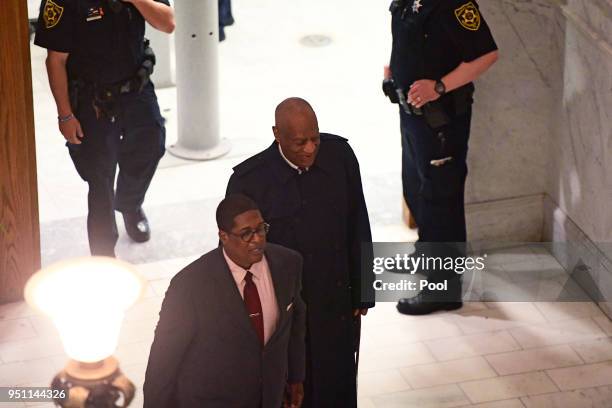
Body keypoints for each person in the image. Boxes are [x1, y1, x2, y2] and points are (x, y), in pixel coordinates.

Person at [226, 97, 374, 408]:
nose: (309, 149)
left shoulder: (340, 156)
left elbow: (357, 221)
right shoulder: (249, 181)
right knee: (293, 389)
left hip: (335, 302)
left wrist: (363, 290)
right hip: (286, 311)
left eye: (314, 138)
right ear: (276, 134)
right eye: (299, 142)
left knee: (338, 385)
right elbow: (237, 256)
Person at [34, 0, 175, 257]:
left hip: (136, 89)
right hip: (91, 98)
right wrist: (65, 116)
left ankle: (130, 204)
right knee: (99, 176)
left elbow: (167, 23)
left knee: (151, 147)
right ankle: (103, 255)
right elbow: (55, 61)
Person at [384, 0, 498, 315]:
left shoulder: (456, 4)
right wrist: (392, 69)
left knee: (441, 199)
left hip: (442, 120)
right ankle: (427, 253)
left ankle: (444, 288)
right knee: (417, 188)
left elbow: (487, 54)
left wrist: (439, 86)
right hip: (413, 115)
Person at [144, 194, 306, 408]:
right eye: (246, 234)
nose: (257, 239)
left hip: (269, 397)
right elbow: (164, 359)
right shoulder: (189, 286)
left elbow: (294, 325)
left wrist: (295, 378)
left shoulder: (289, 263)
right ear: (224, 236)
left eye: (260, 229)